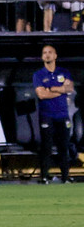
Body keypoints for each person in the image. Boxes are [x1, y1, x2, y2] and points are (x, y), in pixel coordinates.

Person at [34, 45, 74, 184]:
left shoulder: (64, 72)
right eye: (44, 53)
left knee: (64, 146)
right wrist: (61, 90)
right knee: (47, 146)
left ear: (55, 55)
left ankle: (65, 177)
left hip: (63, 115)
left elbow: (70, 88)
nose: (47, 55)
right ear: (42, 57)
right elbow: (41, 94)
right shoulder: (38, 74)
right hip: (47, 115)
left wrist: (52, 88)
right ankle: (44, 176)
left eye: (50, 52)